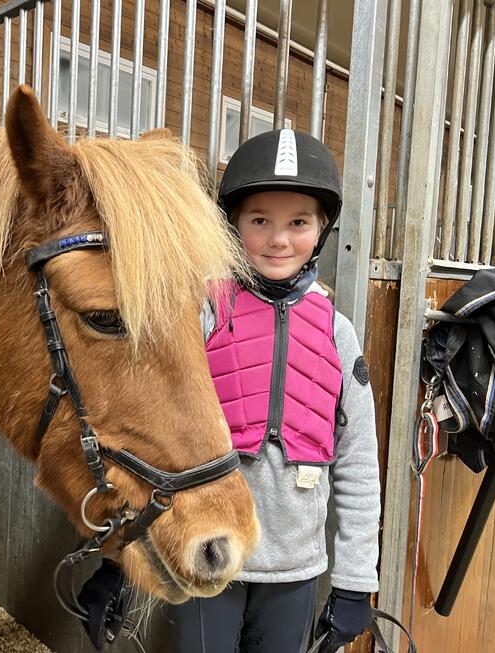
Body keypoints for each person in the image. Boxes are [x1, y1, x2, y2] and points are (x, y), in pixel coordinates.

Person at [169, 128, 381, 653]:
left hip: (295, 570)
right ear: (234, 225)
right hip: (206, 555)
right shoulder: (204, 314)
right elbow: (152, 433)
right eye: (260, 220)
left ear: (321, 230)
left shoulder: (337, 331)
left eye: (298, 223)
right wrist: (118, 555)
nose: (278, 239)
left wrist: (356, 581)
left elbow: (358, 465)